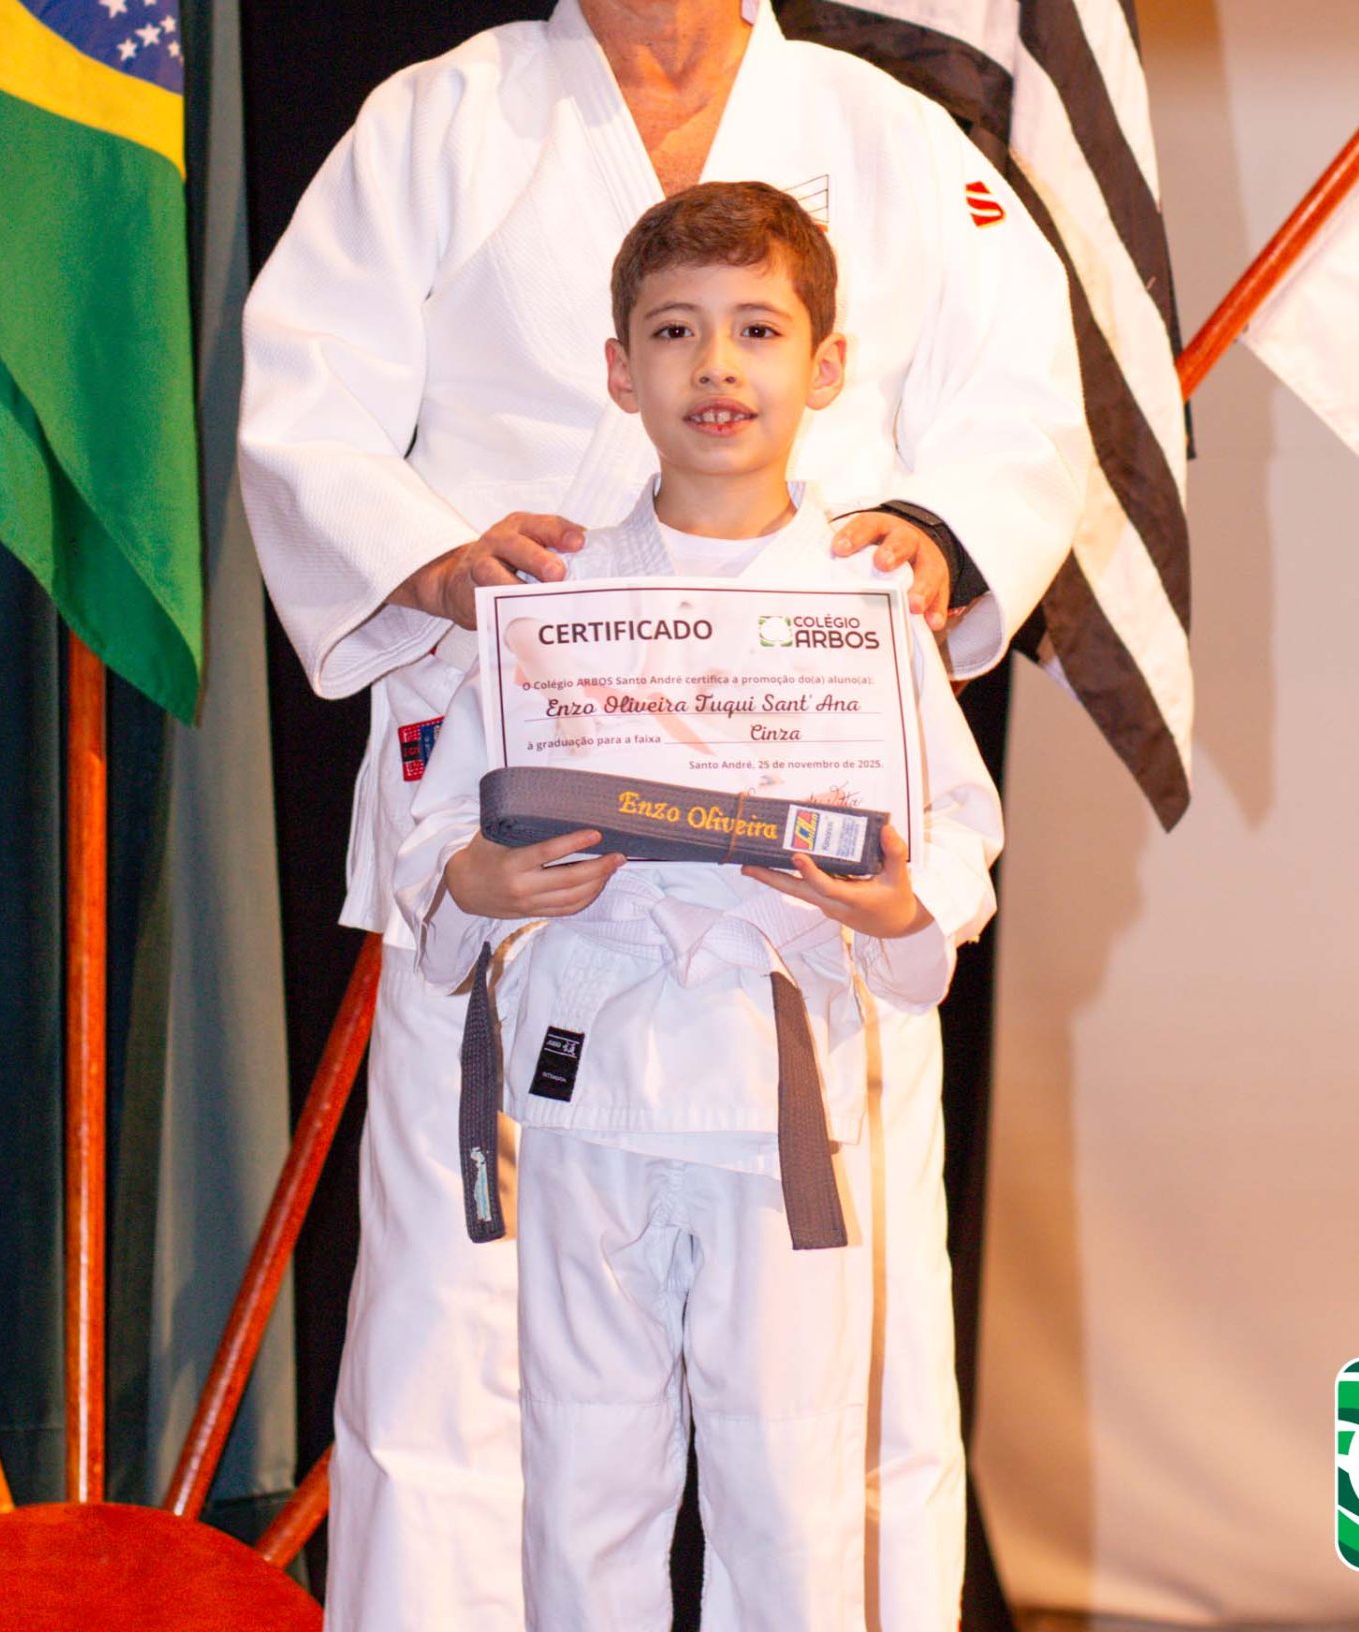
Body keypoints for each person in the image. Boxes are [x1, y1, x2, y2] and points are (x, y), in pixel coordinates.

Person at [238, 0, 1088, 1631]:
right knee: (463, 1350)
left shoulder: (893, 141)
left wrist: (938, 536)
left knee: (842, 1387)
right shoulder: (432, 128)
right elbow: (300, 403)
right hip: (528, 846)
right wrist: (429, 557)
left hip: (800, 878)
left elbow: (1020, 408)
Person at [391, 182, 1003, 1630]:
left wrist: (895, 907)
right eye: (674, 332)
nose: (716, 366)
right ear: (620, 371)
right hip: (586, 1092)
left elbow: (958, 840)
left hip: (775, 1102)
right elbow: (444, 835)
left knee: (790, 1496)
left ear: (826, 368)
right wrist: (479, 882)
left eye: (758, 330)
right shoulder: (556, 596)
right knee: (581, 1484)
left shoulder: (866, 604)